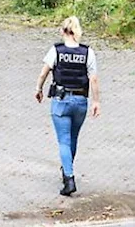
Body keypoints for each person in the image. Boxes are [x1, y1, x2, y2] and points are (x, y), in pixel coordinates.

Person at [35, 16, 100, 197]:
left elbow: (44, 73)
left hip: (61, 101)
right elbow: (93, 78)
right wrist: (96, 101)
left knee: (63, 140)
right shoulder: (88, 52)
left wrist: (38, 89)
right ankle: (67, 170)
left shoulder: (56, 50)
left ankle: (69, 178)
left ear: (63, 31)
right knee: (73, 138)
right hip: (80, 101)